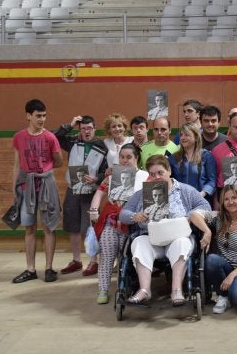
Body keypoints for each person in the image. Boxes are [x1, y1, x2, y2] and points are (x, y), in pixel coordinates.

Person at [119, 155, 212, 305]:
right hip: (150, 238)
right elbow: (123, 213)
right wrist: (135, 216)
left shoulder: (185, 190)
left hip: (176, 237)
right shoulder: (142, 193)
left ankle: (176, 290)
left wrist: (189, 216)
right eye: (153, 174)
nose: (157, 177)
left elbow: (205, 206)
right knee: (138, 242)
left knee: (182, 243)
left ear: (169, 170)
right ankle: (144, 290)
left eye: (160, 173)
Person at [89, 143, 149, 304]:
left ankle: (125, 287)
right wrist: (94, 209)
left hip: (133, 225)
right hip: (112, 222)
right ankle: (102, 289)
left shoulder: (146, 176)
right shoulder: (112, 176)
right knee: (107, 255)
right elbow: (99, 192)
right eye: (122, 157)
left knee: (126, 259)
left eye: (129, 157)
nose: (124, 160)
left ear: (136, 158)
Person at [11, 99, 63, 284]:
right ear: (28, 116)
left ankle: (49, 268)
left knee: (49, 227)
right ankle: (30, 269)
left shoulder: (50, 137)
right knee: (29, 227)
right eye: (38, 116)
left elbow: (58, 161)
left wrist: (45, 171)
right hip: (26, 187)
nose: (42, 119)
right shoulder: (19, 137)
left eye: (44, 115)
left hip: (45, 185)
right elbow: (17, 164)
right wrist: (15, 189)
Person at [189, 185, 237, 314]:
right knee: (211, 260)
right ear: (222, 202)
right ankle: (223, 296)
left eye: (234, 198)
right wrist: (207, 232)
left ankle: (236, 290)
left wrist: (232, 276)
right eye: (226, 199)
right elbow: (194, 214)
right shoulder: (218, 218)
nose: (230, 202)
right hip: (226, 267)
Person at [54, 115, 108, 277]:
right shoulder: (72, 142)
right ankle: (76, 260)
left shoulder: (101, 146)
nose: (86, 131)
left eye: (89, 128)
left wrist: (97, 178)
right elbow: (55, 137)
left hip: (90, 191)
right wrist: (70, 124)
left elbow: (105, 170)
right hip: (73, 189)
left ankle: (94, 261)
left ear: (94, 129)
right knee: (72, 225)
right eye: (83, 128)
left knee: (89, 227)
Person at [168, 122, 216, 205]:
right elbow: (168, 180)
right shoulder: (173, 158)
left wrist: (202, 194)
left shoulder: (206, 156)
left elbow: (212, 180)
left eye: (186, 135)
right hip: (179, 202)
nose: (182, 138)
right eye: (181, 135)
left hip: (201, 201)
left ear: (196, 137)